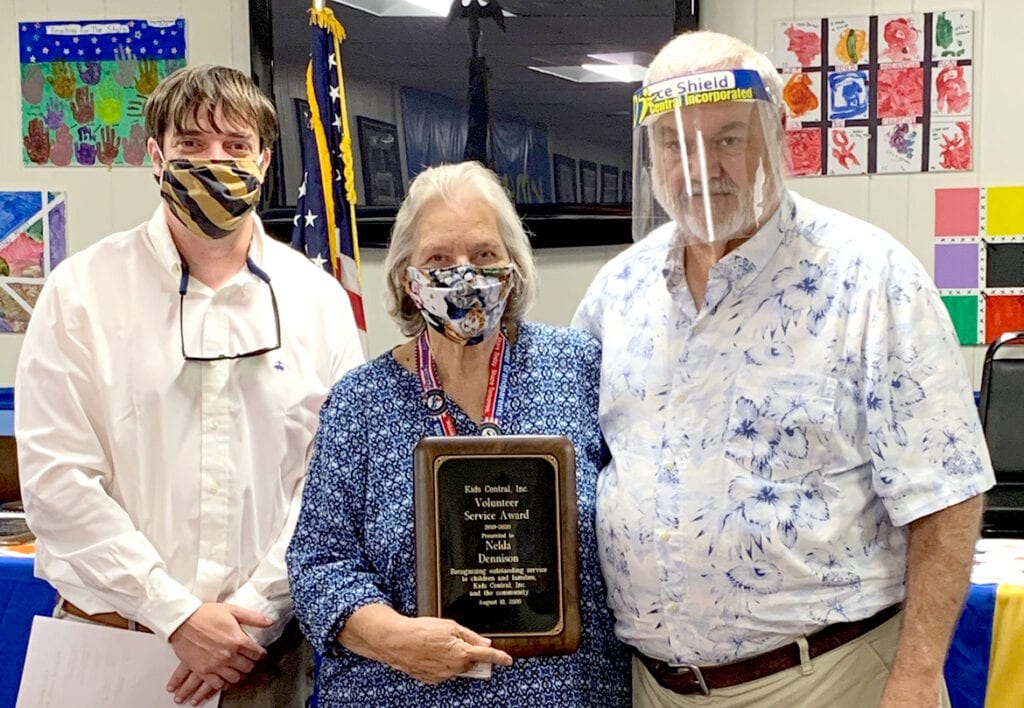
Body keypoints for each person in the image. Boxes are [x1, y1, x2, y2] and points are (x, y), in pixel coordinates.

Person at [573, 31, 995, 708]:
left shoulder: (871, 280)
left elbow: (945, 495)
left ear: (778, 135)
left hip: (830, 679)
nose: (700, 167)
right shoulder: (615, 295)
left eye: (728, 139)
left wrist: (917, 677)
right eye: (675, 143)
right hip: (655, 687)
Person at [16, 64, 363, 707]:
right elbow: (57, 481)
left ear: (263, 162)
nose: (215, 160)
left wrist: (252, 617)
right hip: (111, 646)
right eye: (192, 145)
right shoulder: (82, 293)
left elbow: (332, 488)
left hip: (264, 657)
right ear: (155, 157)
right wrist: (174, 613)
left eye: (235, 147)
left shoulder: (318, 301)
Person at [286, 161, 631, 706]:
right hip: (399, 690)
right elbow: (318, 564)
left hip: (567, 690)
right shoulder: (361, 401)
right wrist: (393, 639)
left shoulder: (581, 368)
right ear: (407, 277)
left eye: (484, 255)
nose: (464, 275)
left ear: (512, 269)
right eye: (439, 259)